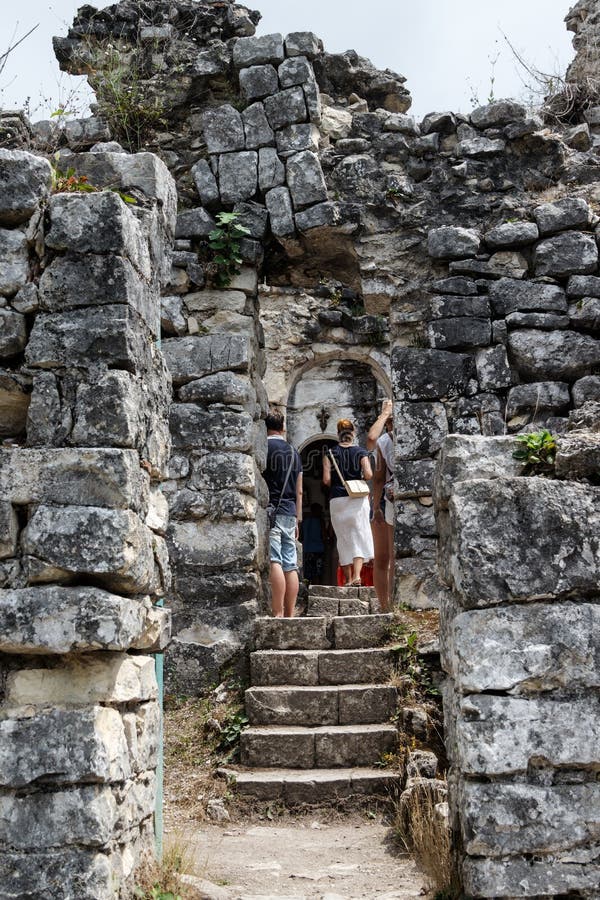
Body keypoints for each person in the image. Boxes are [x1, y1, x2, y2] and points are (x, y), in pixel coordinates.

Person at [323, 418, 374, 586]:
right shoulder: (361, 452)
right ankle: (357, 576)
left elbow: (326, 480)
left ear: (338, 434)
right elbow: (368, 475)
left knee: (343, 537)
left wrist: (338, 483)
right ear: (353, 433)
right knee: (358, 535)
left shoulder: (329, 453)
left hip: (337, 499)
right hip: (357, 498)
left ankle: (346, 578)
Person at [263, 409, 303, 617]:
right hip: (289, 511)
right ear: (283, 427)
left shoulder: (264, 448)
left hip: (272, 511)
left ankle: (277, 611)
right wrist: (298, 518)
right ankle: (290, 612)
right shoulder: (293, 451)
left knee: (275, 560)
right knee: (290, 563)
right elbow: (299, 488)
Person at [368, 399, 394, 611]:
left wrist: (376, 507)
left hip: (389, 500)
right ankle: (390, 606)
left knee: (383, 558)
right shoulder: (388, 440)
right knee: (389, 558)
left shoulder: (385, 441)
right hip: (393, 499)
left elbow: (378, 478)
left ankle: (387, 606)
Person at [301, 502, 326, 584]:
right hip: (318, 550)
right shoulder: (320, 521)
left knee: (309, 572)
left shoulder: (305, 521)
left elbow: (301, 535)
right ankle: (317, 587)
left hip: (307, 549)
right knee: (318, 571)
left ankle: (308, 588)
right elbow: (324, 535)